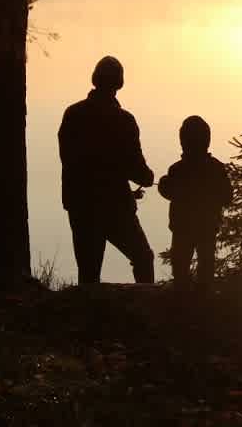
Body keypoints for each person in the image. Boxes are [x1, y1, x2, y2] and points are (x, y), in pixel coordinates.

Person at [58, 56, 155, 284]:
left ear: (95, 79)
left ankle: (88, 317)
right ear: (119, 83)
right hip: (116, 207)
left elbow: (68, 160)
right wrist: (148, 177)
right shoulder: (124, 120)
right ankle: (146, 309)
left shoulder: (72, 114)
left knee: (89, 273)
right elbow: (136, 169)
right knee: (143, 257)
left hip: (80, 206)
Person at [158, 115, 232, 290]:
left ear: (183, 141)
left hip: (182, 227)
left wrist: (163, 183)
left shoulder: (177, 169)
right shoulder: (216, 168)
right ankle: (204, 301)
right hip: (207, 226)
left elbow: (169, 191)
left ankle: (182, 301)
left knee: (180, 268)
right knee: (206, 265)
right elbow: (227, 196)